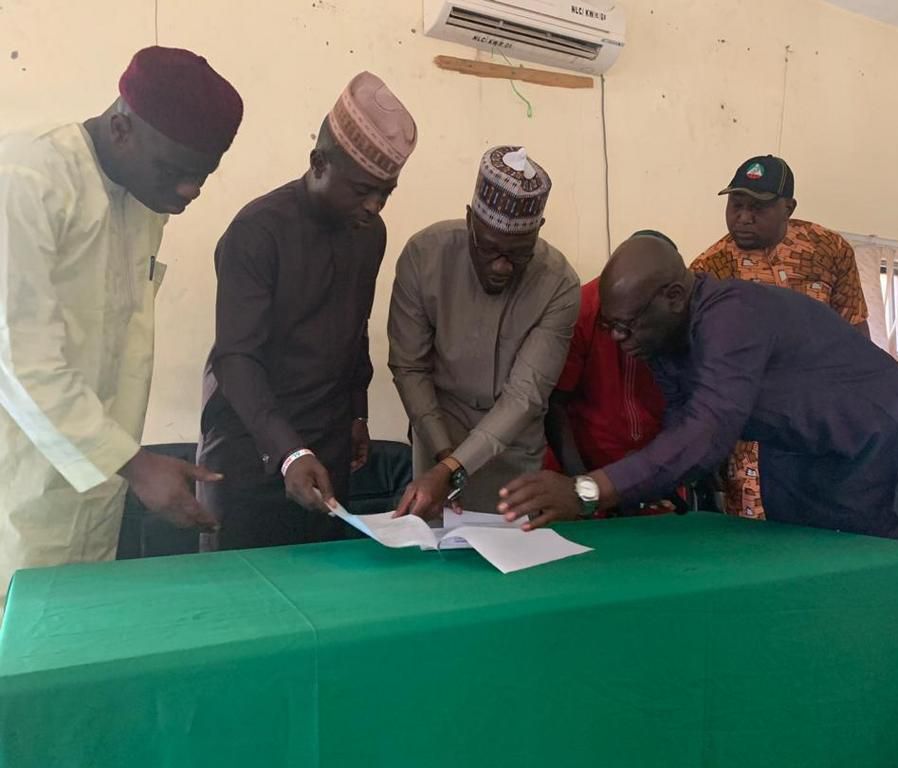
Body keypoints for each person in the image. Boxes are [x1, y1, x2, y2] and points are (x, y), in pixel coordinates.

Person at [0, 46, 242, 614]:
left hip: (96, 483)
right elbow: (19, 354)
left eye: (202, 177)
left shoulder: (142, 202)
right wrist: (136, 464)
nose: (190, 192)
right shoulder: (26, 179)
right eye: (176, 172)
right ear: (119, 127)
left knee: (76, 649)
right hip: (18, 486)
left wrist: (123, 465)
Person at [498, 235, 898, 542]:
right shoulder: (663, 339)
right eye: (610, 327)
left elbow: (706, 431)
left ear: (672, 296)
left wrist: (585, 491)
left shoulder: (732, 316)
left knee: (872, 582)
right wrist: (639, 493)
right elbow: (679, 423)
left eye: (627, 326)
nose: (617, 340)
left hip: (873, 442)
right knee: (803, 573)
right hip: (795, 450)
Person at [197, 72, 417, 550]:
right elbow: (236, 359)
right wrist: (288, 451)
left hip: (326, 453)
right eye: (362, 190)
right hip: (250, 452)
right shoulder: (257, 232)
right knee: (242, 604)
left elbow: (353, 331)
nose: (375, 206)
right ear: (319, 163)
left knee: (321, 599)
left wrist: (357, 414)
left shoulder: (369, 235)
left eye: (386, 193)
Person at [388, 146, 580, 519]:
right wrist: (445, 458)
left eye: (518, 254)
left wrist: (454, 468)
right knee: (437, 553)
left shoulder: (559, 284)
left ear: (538, 232)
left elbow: (525, 395)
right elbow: (410, 367)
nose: (502, 267)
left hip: (513, 446)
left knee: (510, 556)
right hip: (438, 429)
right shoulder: (424, 256)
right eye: (489, 248)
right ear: (470, 219)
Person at [691, 155, 870, 521]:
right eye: (736, 205)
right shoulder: (709, 271)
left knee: (829, 537)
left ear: (788, 207)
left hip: (826, 428)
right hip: (753, 438)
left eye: (757, 207)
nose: (743, 217)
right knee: (762, 545)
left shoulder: (828, 249)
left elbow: (857, 338)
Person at [543, 230, 709, 516]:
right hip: (588, 469)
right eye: (613, 326)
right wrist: (580, 486)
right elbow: (555, 404)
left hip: (661, 474)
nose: (621, 336)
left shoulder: (690, 314)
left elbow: (699, 407)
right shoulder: (584, 309)